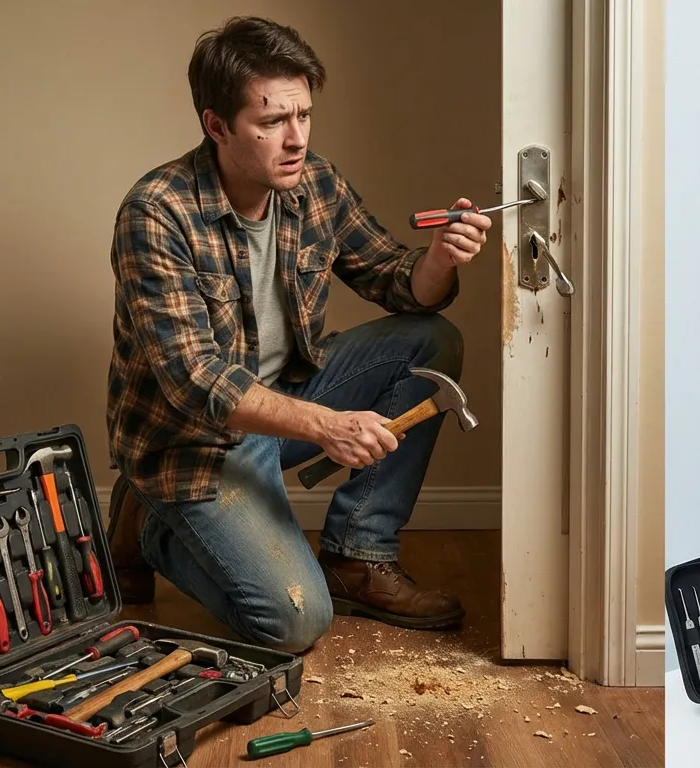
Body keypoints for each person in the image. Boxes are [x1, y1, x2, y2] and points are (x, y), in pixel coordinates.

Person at [103, 16, 493, 653]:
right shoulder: (156, 211)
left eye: (304, 116)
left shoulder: (315, 183)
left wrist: (439, 260)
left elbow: (396, 283)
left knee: (430, 341)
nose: (295, 140)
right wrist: (325, 426)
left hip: (287, 399)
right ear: (217, 126)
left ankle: (357, 556)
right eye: (271, 123)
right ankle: (152, 524)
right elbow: (195, 380)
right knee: (293, 625)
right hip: (197, 443)